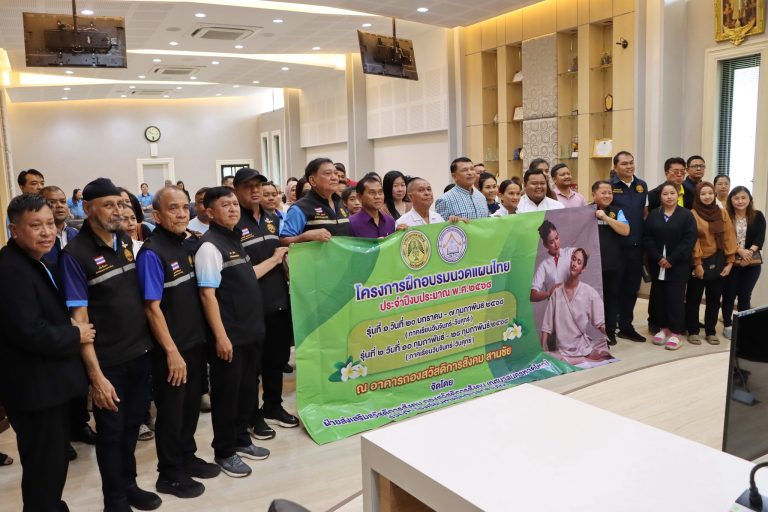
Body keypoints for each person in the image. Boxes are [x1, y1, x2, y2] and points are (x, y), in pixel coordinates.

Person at [60, 178, 161, 512]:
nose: (118, 211)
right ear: (88, 209)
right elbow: (80, 320)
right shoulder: (75, 255)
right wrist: (96, 376)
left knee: (132, 427)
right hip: (108, 363)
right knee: (111, 434)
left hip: (140, 353)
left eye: (120, 204)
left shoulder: (127, 241)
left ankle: (129, 485)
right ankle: (114, 500)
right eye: (108, 205)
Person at [0, 194, 94, 512]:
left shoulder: (36, 260)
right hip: (33, 389)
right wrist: (76, 334)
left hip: (47, 386)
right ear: (14, 229)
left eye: (50, 224)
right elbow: (30, 332)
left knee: (51, 463)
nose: (46, 232)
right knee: (44, 465)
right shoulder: (11, 270)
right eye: (35, 225)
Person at [137, 186, 221, 499]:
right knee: (171, 414)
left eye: (185, 207)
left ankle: (187, 456)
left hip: (194, 343)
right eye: (173, 208)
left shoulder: (187, 244)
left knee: (189, 409)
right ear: (157, 215)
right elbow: (151, 308)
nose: (182, 213)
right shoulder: (152, 252)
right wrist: (171, 352)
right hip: (172, 351)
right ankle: (169, 473)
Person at [195, 186, 269, 478]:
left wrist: (276, 259)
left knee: (246, 391)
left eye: (234, 204)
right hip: (230, 336)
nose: (233, 209)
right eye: (225, 205)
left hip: (250, 332)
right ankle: (224, 451)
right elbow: (207, 295)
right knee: (227, 396)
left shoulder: (234, 239)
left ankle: (241, 439)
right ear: (210, 213)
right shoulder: (209, 246)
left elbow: (247, 278)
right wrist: (221, 336)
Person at [231, 169, 297, 441]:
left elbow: (281, 253)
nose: (255, 190)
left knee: (276, 359)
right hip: (250, 307)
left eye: (258, 185)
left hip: (278, 300)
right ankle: (251, 415)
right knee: (252, 368)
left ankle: (273, 405)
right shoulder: (233, 222)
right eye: (248, 186)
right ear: (236, 190)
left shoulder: (272, 219)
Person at [643, 182, 698, 350]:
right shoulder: (654, 215)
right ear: (660, 196)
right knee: (659, 297)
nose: (669, 197)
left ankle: (676, 332)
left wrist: (672, 259)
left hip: (678, 265)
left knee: (675, 298)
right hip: (657, 264)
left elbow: (689, 240)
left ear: (678, 195)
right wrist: (658, 258)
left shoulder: (687, 215)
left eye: (672, 193)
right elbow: (648, 238)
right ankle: (664, 328)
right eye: (665, 194)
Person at [685, 181, 737, 346]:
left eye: (709, 193)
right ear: (697, 196)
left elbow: (729, 237)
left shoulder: (722, 213)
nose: (707, 197)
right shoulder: (692, 214)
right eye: (703, 194)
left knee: (714, 300)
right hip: (699, 262)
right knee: (693, 299)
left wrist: (730, 262)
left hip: (719, 261)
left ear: (714, 195)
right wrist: (697, 263)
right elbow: (693, 240)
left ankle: (710, 331)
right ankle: (693, 331)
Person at [540, 248, 610, 363]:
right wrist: (542, 350)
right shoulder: (557, 292)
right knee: (550, 359)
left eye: (579, 262)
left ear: (583, 268)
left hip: (583, 348)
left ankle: (584, 358)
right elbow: (546, 327)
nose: (574, 263)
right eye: (573, 259)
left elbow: (600, 323)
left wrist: (608, 337)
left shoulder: (589, 292)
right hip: (562, 351)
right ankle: (582, 360)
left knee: (603, 355)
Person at [609, 151, 648, 342]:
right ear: (615, 167)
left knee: (632, 288)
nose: (629, 166)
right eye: (624, 164)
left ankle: (626, 325)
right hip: (616, 246)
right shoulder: (609, 186)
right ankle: (610, 326)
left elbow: (644, 212)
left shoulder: (642, 185)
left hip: (636, 246)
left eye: (631, 163)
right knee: (613, 288)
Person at [722, 186, 765, 339]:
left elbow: (760, 237)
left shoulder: (758, 216)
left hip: (751, 264)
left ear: (749, 199)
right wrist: (739, 251)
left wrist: (749, 253)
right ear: (731, 200)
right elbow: (724, 238)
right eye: (736, 198)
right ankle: (727, 325)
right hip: (731, 262)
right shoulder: (726, 215)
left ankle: (743, 326)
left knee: (745, 295)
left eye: (743, 197)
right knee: (729, 295)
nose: (740, 201)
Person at [591, 180, 630, 346]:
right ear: (594, 194)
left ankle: (610, 332)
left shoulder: (617, 211)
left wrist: (606, 218)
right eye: (603, 192)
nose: (607, 196)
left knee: (612, 299)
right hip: (591, 265)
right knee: (592, 300)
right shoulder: (585, 211)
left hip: (613, 264)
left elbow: (625, 230)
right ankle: (593, 332)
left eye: (610, 193)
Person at [280, 158, 350, 245]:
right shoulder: (300, 208)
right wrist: (305, 236)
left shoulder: (340, 202)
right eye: (328, 173)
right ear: (312, 180)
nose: (335, 178)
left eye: (335, 173)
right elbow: (283, 241)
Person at [530, 220, 574, 302]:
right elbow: (533, 296)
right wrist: (549, 293)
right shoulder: (544, 265)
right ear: (545, 245)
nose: (556, 244)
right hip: (555, 307)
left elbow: (586, 254)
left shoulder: (569, 252)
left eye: (556, 238)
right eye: (551, 242)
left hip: (573, 304)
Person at [41, 186, 79, 269]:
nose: (59, 205)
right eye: (52, 202)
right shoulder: (37, 239)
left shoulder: (76, 234)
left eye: (63, 201)